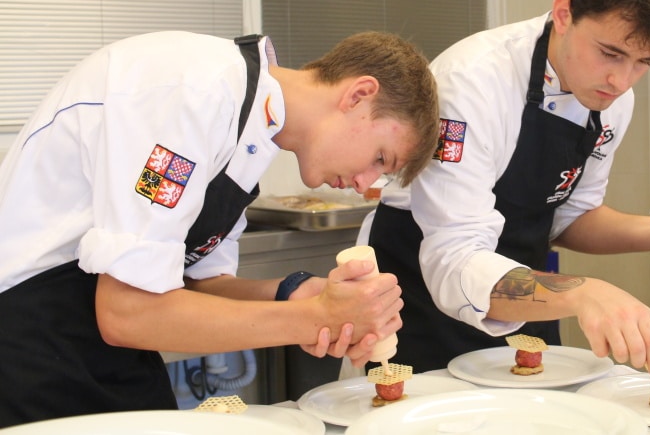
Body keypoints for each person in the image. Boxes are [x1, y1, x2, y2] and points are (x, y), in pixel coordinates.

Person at [0, 30, 439, 427]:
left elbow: (197, 285)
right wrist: (312, 320)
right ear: (359, 95)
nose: (365, 184)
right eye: (380, 158)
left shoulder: (252, 133)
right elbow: (125, 311)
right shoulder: (197, 93)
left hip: (102, 348)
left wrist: (297, 294)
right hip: (31, 341)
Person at [362, 0, 650, 376]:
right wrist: (580, 293)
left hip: (527, 301)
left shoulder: (611, 99)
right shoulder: (472, 84)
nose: (622, 80)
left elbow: (570, 218)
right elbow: (455, 260)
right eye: (610, 54)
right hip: (421, 306)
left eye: (644, 62)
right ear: (564, 13)